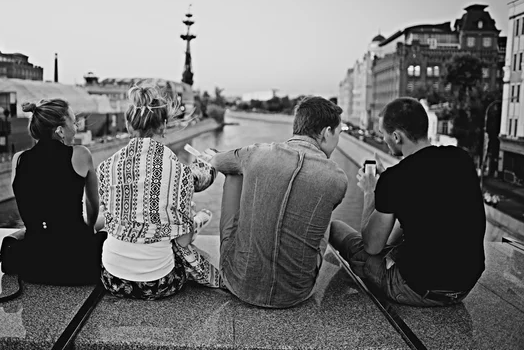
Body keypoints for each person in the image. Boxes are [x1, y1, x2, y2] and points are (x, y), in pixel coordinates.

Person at [329, 97, 486, 307]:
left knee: (337, 230)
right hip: (463, 287)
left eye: (384, 135)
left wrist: (372, 192)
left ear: (396, 136)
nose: (384, 140)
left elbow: (372, 246)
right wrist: (388, 190)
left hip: (416, 288)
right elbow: (429, 206)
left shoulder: (396, 177)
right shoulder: (462, 159)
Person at [209, 96, 348, 308]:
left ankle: (240, 259)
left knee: (234, 171)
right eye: (338, 133)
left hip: (238, 283)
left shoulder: (256, 153)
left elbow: (217, 161)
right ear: (326, 132)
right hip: (297, 293)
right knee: (320, 207)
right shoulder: (337, 178)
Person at [96, 84, 219, 301]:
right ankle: (199, 220)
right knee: (180, 234)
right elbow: (183, 240)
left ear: (127, 123)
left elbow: (107, 219)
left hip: (112, 279)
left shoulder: (106, 168)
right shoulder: (179, 172)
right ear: (163, 126)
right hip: (158, 284)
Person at [11, 99, 106, 285]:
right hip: (77, 265)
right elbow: (93, 204)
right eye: (73, 121)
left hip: (33, 266)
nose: (76, 126)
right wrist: (88, 228)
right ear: (60, 130)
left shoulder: (18, 159)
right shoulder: (80, 154)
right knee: (105, 222)